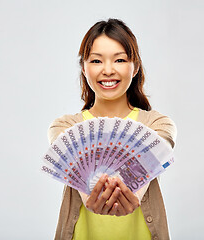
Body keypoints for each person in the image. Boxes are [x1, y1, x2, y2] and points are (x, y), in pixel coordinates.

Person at [48, 18, 177, 240]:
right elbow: (78, 172)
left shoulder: (158, 124)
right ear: (84, 68)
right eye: (97, 61)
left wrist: (132, 192)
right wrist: (90, 194)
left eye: (119, 60)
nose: (108, 70)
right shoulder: (65, 127)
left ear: (135, 66)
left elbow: (154, 155)